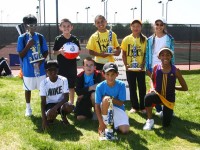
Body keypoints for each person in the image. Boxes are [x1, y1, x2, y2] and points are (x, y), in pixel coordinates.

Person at [143, 47, 188, 130]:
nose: (165, 57)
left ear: (171, 56)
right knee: (148, 97)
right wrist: (152, 88)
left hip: (169, 99)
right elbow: (152, 80)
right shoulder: (156, 68)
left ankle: (165, 112)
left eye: (168, 55)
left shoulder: (175, 70)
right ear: (159, 57)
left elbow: (185, 88)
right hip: (158, 95)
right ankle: (150, 120)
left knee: (166, 125)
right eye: (162, 55)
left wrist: (173, 87)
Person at [16, 14, 48, 116]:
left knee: (42, 89)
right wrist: (28, 45)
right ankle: (28, 108)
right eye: (30, 25)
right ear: (25, 26)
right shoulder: (22, 38)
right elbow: (21, 54)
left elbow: (45, 52)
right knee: (28, 89)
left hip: (41, 69)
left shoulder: (40, 37)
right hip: (28, 69)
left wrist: (41, 61)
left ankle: (45, 108)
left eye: (35, 25)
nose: (33, 27)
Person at [146, 18, 175, 116]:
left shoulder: (169, 38)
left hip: (166, 65)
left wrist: (172, 67)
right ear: (154, 26)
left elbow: (172, 54)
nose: (159, 26)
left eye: (161, 24)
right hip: (154, 66)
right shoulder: (150, 39)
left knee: (167, 87)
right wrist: (148, 67)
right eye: (157, 24)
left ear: (164, 26)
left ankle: (168, 107)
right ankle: (159, 109)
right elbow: (148, 54)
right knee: (155, 87)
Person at [95, 62, 130, 135]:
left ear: (117, 74)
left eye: (112, 74)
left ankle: (113, 123)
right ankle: (105, 122)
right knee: (106, 99)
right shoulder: (99, 86)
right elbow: (97, 105)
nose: (110, 77)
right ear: (103, 74)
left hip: (118, 108)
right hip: (105, 108)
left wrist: (109, 98)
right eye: (107, 74)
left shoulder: (121, 85)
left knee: (125, 131)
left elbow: (121, 103)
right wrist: (100, 123)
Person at [121, 19, 147, 114]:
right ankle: (135, 106)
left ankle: (143, 106)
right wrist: (126, 65)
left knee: (142, 87)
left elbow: (145, 54)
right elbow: (123, 54)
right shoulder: (126, 39)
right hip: (130, 68)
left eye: (138, 26)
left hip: (140, 69)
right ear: (131, 27)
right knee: (132, 87)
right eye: (134, 26)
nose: (136, 28)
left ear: (141, 28)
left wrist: (142, 65)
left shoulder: (144, 39)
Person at [53, 18, 81, 105]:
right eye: (64, 26)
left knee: (71, 86)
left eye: (68, 26)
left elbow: (78, 51)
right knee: (62, 85)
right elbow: (54, 52)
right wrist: (60, 52)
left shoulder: (75, 39)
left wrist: (75, 53)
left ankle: (71, 103)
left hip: (72, 66)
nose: (66, 28)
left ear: (71, 27)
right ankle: (61, 103)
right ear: (60, 28)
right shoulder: (58, 39)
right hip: (61, 65)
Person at [40, 60, 74, 130]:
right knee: (50, 116)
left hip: (61, 103)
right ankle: (50, 119)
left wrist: (54, 108)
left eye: (55, 69)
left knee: (70, 106)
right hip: (50, 104)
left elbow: (66, 98)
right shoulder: (43, 83)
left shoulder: (63, 80)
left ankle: (63, 116)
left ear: (58, 70)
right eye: (50, 70)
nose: (53, 72)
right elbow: (43, 102)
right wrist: (44, 120)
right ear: (46, 71)